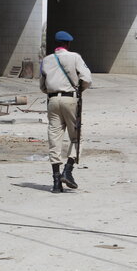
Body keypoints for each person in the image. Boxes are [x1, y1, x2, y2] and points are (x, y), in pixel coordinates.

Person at [40, 31, 92, 193]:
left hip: (52, 101)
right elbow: (87, 79)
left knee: (54, 140)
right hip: (70, 99)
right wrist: (79, 90)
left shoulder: (46, 60)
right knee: (76, 137)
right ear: (68, 44)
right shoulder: (74, 57)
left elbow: (42, 86)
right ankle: (67, 171)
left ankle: (56, 182)